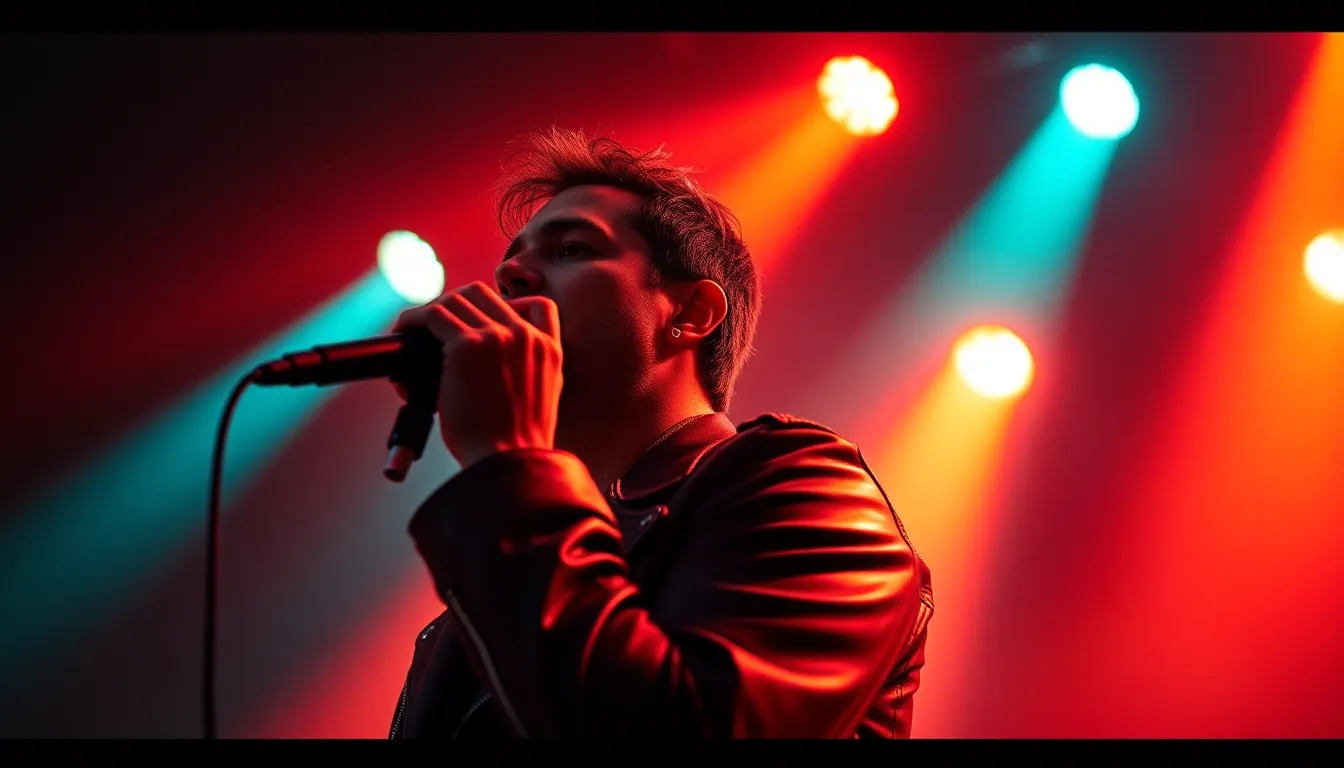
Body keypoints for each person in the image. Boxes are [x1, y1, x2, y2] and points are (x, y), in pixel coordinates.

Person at [385, 126, 934, 739]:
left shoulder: (806, 487)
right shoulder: (476, 604)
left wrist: (508, 463)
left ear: (692, 313)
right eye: (509, 263)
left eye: (571, 249)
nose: (511, 275)